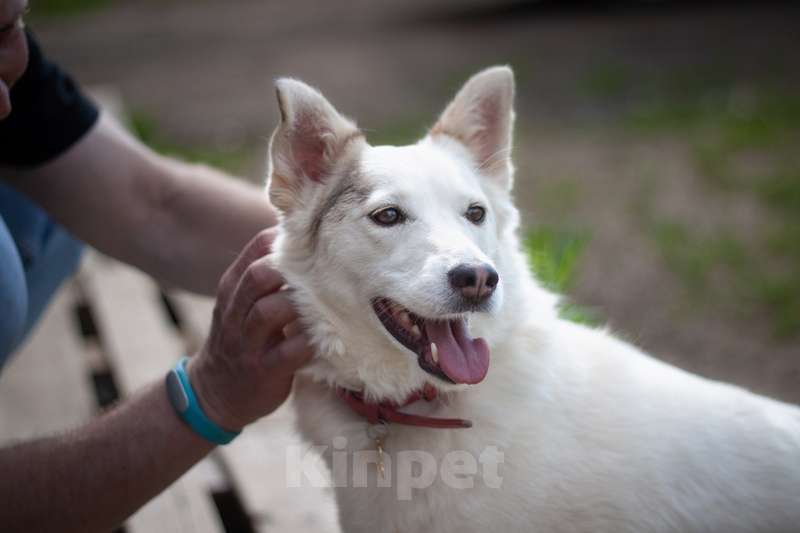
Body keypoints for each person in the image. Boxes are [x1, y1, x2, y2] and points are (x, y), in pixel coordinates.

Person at [0, 1, 313, 531]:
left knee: (48, 198)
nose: (15, 58)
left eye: (9, 27)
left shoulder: (13, 71)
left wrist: (360, 242)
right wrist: (211, 391)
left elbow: (156, 205)